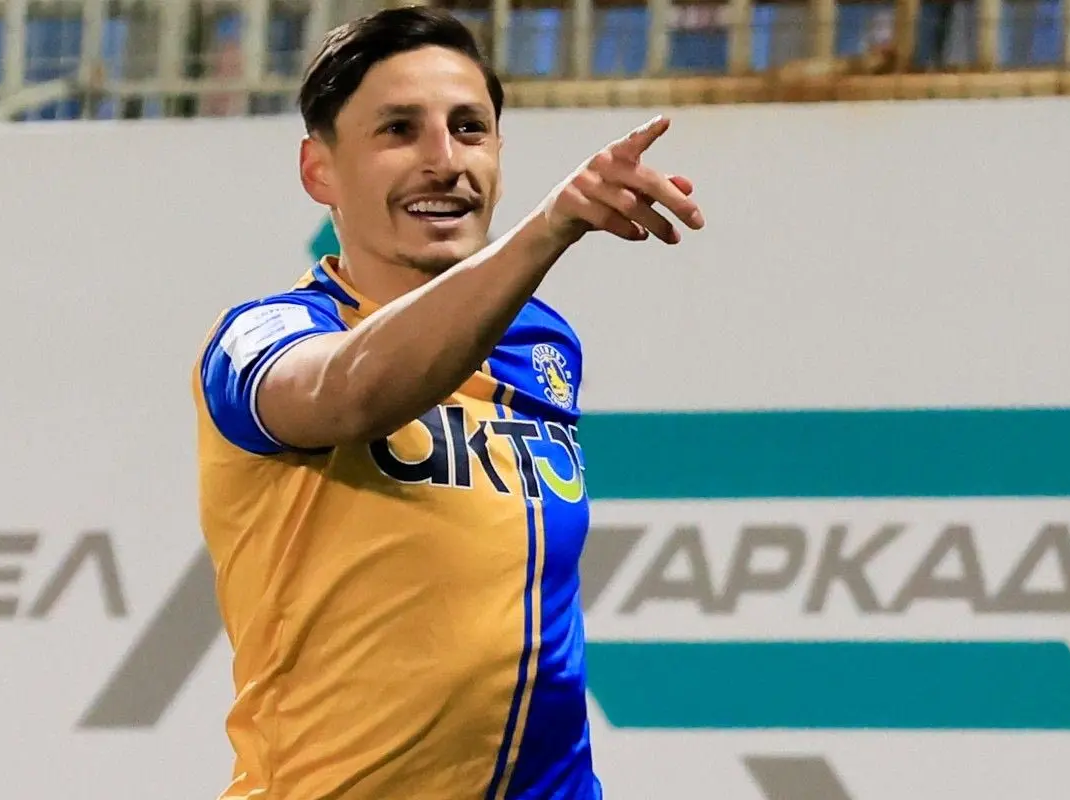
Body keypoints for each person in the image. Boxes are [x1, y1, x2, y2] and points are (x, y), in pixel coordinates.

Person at [192, 7, 704, 799]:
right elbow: (349, 392)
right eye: (399, 130)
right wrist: (547, 230)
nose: (444, 161)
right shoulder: (263, 337)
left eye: (469, 129)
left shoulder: (542, 341)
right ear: (319, 170)